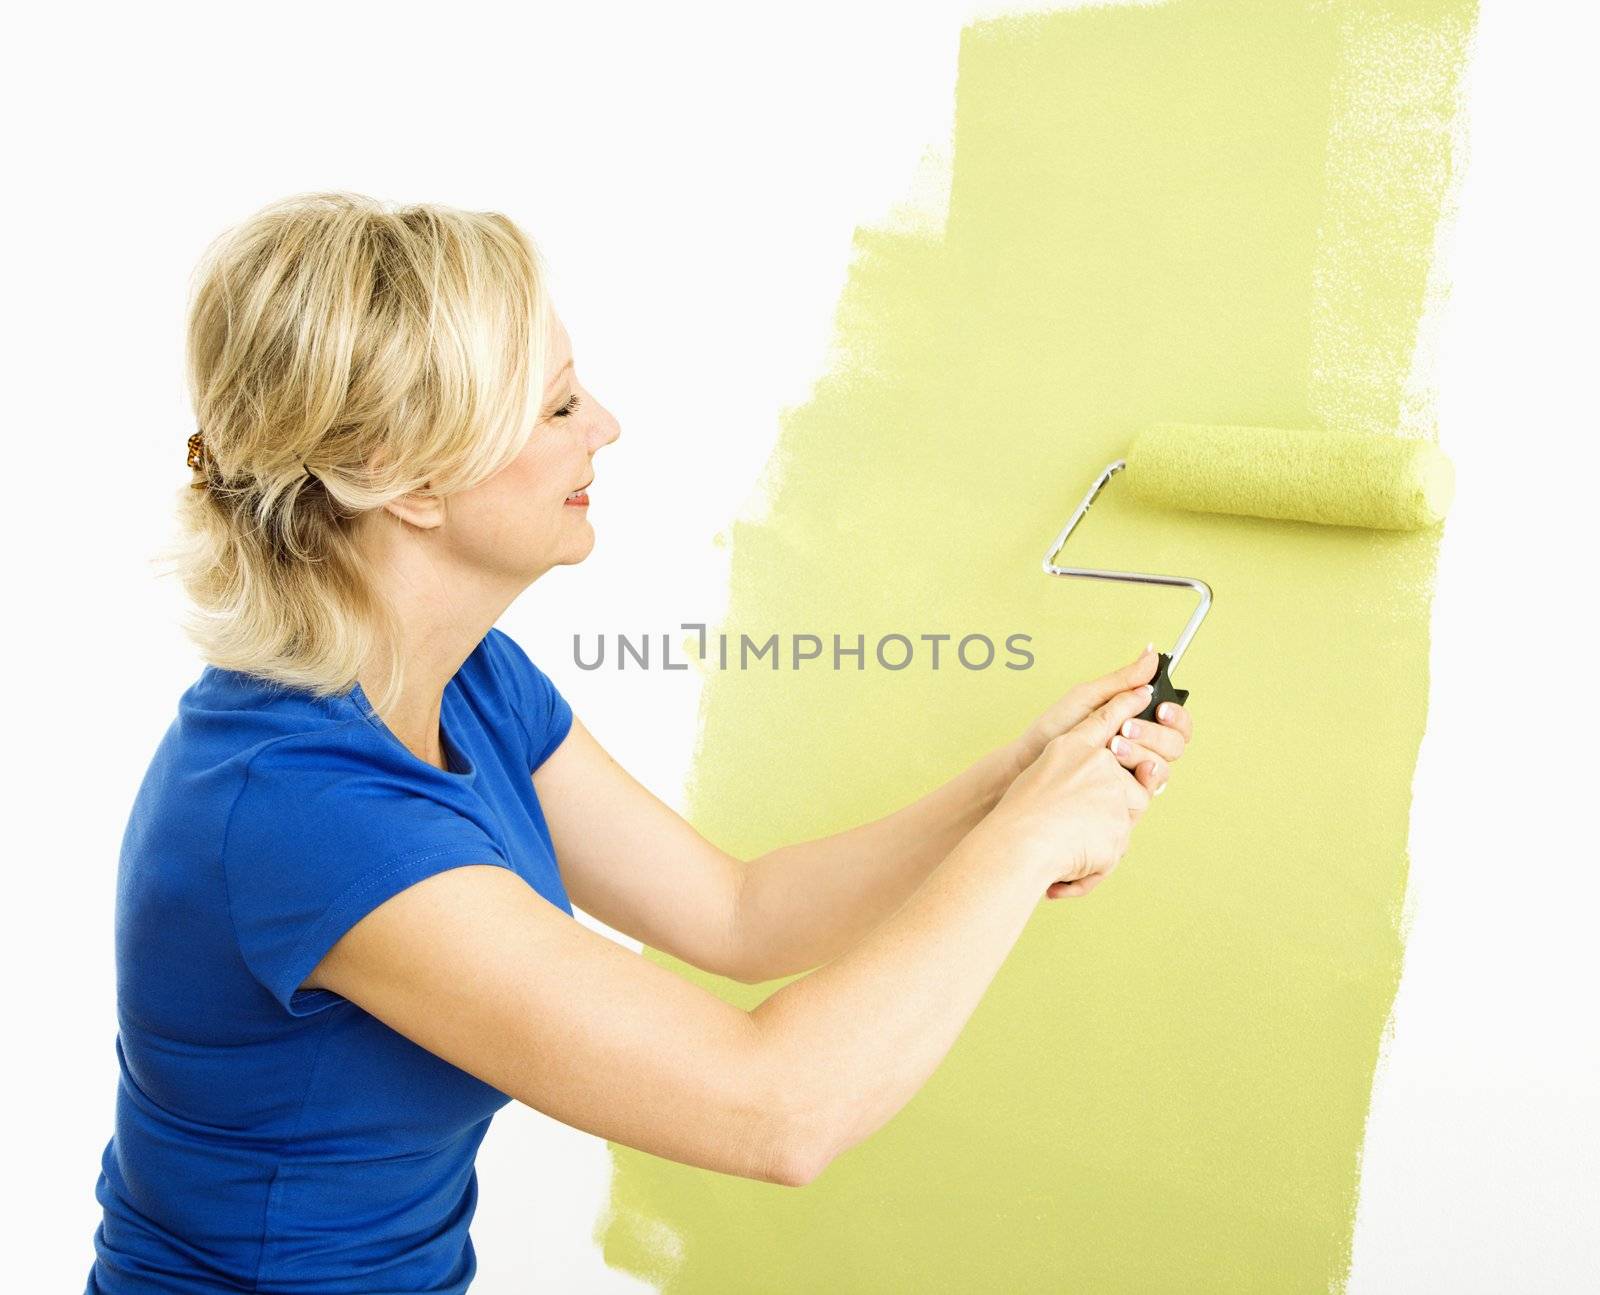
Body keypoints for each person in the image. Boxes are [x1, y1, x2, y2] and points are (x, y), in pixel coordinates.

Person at [86, 192, 1193, 1294]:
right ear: (409, 478)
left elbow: (737, 911)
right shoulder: (303, 812)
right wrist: (1029, 846)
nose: (605, 425)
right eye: (558, 405)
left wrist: (1011, 788)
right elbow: (779, 1110)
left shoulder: (462, 682)